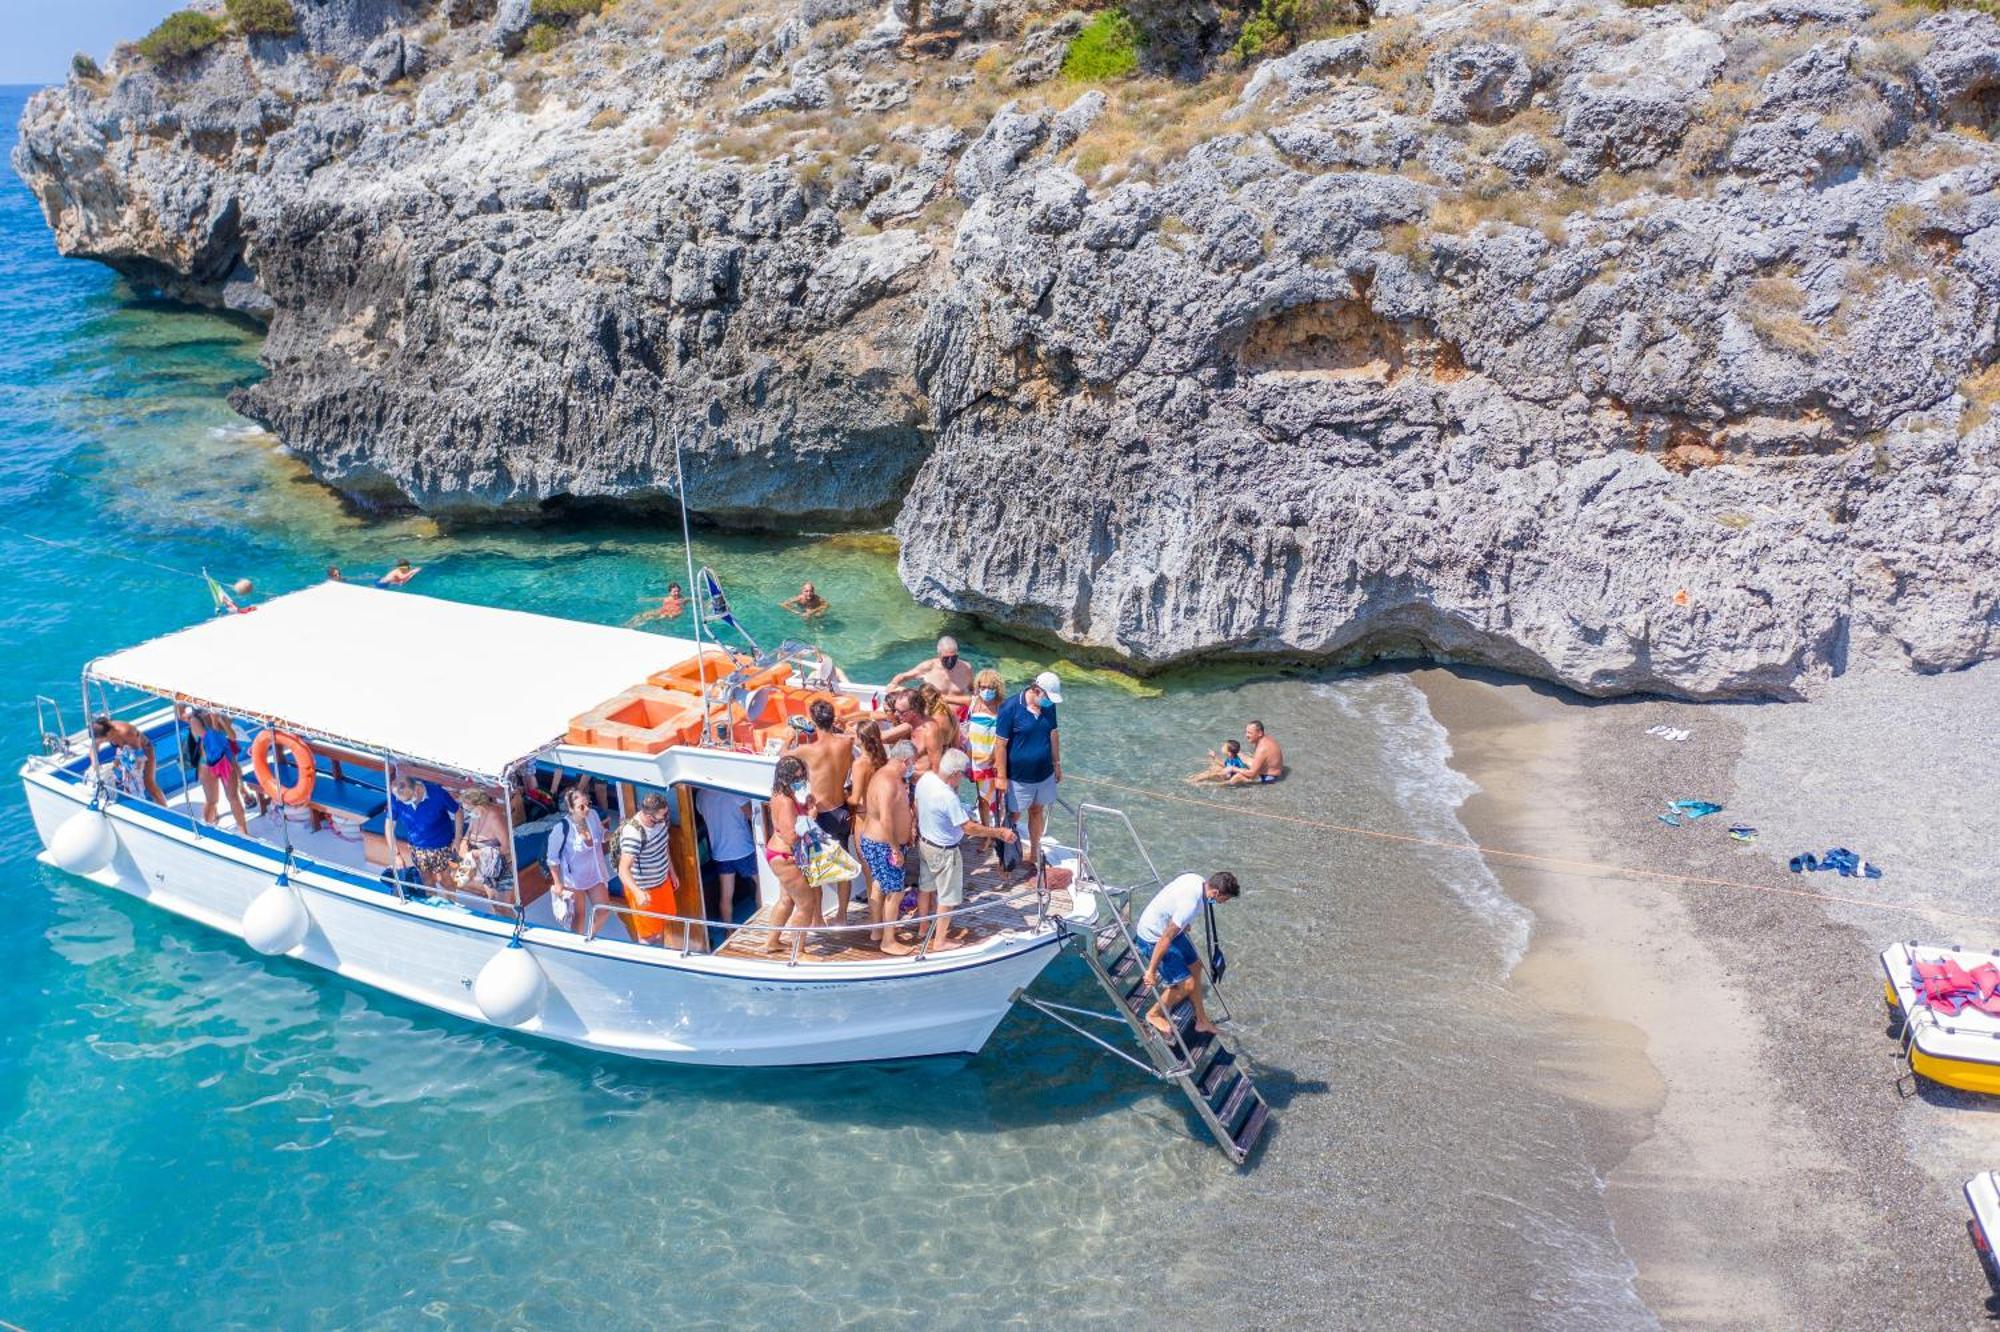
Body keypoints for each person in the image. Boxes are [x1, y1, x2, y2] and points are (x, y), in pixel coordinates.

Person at [913, 750, 1016, 952]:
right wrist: (997, 833)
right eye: (962, 774)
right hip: (944, 852)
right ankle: (940, 941)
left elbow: (917, 805)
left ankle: (923, 928)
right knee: (947, 897)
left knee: (925, 888)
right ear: (955, 773)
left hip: (925, 843)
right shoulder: (947, 796)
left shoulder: (925, 780)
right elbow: (968, 828)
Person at [1135, 871, 1240, 1039]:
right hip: (1152, 937)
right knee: (1187, 985)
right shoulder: (1190, 905)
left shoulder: (1197, 880)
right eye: (1224, 900)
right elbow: (1166, 937)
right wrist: (1151, 971)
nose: (1223, 903)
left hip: (1169, 929)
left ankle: (1201, 1019)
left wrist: (1183, 922)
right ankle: (1153, 1014)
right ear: (1216, 893)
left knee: (1196, 966)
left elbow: (1173, 898)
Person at [784, 700, 856, 903]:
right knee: (844, 867)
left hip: (821, 815)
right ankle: (841, 914)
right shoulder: (846, 742)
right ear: (832, 719)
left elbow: (783, 760)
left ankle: (818, 919)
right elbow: (853, 737)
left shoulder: (806, 751)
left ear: (814, 722)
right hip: (842, 810)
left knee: (814, 870)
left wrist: (788, 739)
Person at [993, 671, 1062, 872]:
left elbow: (1053, 733)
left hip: (1043, 773)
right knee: (1012, 816)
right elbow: (1000, 745)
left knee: (1036, 810)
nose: (1050, 702)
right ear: (1037, 690)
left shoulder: (1049, 707)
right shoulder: (1010, 708)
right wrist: (1001, 776)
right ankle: (1005, 858)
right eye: (1048, 697)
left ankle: (1033, 853)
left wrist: (1056, 764)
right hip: (1018, 777)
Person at [858, 738, 916, 954]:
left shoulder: (889, 775)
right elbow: (886, 819)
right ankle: (888, 941)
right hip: (884, 845)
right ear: (906, 760)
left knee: (879, 885)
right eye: (913, 763)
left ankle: (878, 930)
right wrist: (895, 848)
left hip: (879, 842)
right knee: (895, 892)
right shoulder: (887, 781)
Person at [762, 756, 818, 955]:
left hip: (779, 855)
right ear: (786, 779)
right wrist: (811, 817)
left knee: (786, 900)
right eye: (797, 777)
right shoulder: (785, 801)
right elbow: (792, 835)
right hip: (785, 857)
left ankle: (772, 942)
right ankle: (799, 952)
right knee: (806, 904)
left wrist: (805, 806)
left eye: (802, 776)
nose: (801, 780)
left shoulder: (780, 794)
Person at [547, 787, 611, 936]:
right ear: (571, 808)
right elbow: (552, 858)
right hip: (574, 880)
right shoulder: (561, 828)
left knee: (603, 911)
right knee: (578, 917)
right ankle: (577, 946)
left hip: (595, 874)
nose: (587, 809)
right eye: (581, 807)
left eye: (588, 804)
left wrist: (615, 835)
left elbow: (602, 835)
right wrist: (558, 884)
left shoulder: (593, 815)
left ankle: (589, 937)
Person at [177, 705, 249, 835]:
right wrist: (215, 723)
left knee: (233, 797)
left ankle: (243, 831)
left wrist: (221, 721)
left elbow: (232, 737)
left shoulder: (222, 716)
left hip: (226, 761)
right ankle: (207, 829)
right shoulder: (195, 720)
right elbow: (211, 742)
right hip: (207, 765)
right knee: (212, 800)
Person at [617, 792, 676, 944]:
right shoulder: (634, 834)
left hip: (663, 883)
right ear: (650, 816)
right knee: (648, 936)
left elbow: (664, 847)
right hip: (645, 889)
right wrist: (638, 893)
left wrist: (672, 873)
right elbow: (623, 870)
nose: (665, 818)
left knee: (662, 924)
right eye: (662, 816)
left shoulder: (661, 822)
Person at [695, 783, 758, 924]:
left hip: (720, 852)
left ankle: (728, 931)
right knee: (761, 885)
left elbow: (702, 813)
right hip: (743, 848)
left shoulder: (700, 795)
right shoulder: (733, 790)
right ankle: (764, 924)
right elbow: (752, 816)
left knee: (726, 895)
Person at [389, 774, 462, 887]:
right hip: (417, 848)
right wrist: (396, 855)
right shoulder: (397, 798)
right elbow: (389, 826)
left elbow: (458, 812)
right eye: (400, 800)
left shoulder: (438, 794)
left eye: (407, 800)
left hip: (443, 846)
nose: (403, 803)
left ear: (417, 790)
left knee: (446, 880)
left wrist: (457, 840)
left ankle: (452, 901)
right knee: (426, 880)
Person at [89, 715, 167, 805]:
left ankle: (165, 807)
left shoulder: (126, 732)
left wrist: (137, 771)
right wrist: (94, 763)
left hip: (144, 751)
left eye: (104, 739)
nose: (102, 741)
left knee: (148, 783)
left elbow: (138, 753)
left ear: (109, 734)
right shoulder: (102, 731)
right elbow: (93, 748)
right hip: (125, 752)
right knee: (127, 785)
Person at [455, 788, 514, 900]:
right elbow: (468, 835)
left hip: (500, 867)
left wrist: (478, 853)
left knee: (502, 905)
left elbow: (508, 848)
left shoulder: (495, 818)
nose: (468, 813)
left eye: (469, 810)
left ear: (480, 806)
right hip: (483, 864)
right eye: (465, 810)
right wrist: (463, 844)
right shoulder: (476, 815)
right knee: (459, 881)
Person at [962, 670, 1004, 824]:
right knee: (982, 798)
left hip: (994, 759)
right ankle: (987, 831)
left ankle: (995, 830)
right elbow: (946, 697)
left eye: (990, 687)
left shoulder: (1002, 707)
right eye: (982, 686)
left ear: (997, 688)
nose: (986, 691)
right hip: (976, 759)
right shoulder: (973, 702)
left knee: (997, 799)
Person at [887, 635, 975, 704]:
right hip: (934, 714)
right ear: (939, 655)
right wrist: (893, 684)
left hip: (959, 716)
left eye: (954, 657)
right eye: (946, 658)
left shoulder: (966, 668)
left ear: (957, 654)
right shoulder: (928, 667)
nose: (950, 661)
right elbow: (903, 676)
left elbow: (973, 689)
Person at [1225, 720, 1286, 785]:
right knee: (1242, 757)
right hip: (1273, 770)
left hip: (1270, 777)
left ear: (1260, 733)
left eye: (1249, 733)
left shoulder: (1262, 749)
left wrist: (1233, 768)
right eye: (1246, 732)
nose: (1246, 735)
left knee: (1237, 777)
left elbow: (1252, 773)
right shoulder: (1266, 739)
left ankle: (1219, 785)